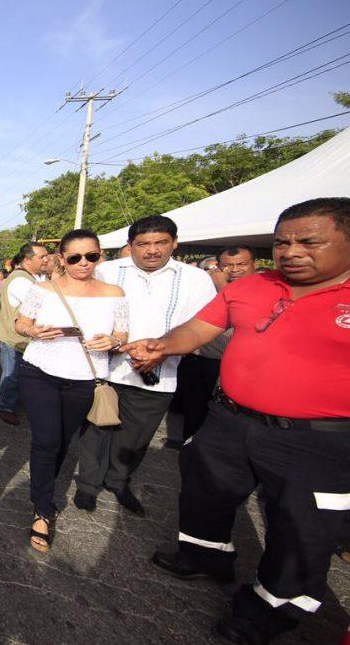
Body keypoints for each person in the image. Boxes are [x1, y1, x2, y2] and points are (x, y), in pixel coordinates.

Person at [123, 198, 350, 644]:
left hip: (319, 441)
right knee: (206, 493)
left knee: (302, 530)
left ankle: (268, 611)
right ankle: (206, 556)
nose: (291, 251)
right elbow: (199, 329)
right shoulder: (252, 286)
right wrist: (162, 345)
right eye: (282, 241)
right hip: (228, 420)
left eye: (309, 241)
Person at [74, 215, 216, 516]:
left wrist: (161, 351)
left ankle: (119, 482)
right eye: (143, 244)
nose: (152, 250)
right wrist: (113, 343)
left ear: (174, 243)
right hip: (106, 371)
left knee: (135, 437)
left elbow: (202, 325)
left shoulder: (196, 279)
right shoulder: (107, 272)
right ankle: (87, 485)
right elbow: (88, 314)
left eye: (160, 242)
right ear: (131, 246)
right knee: (96, 430)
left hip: (158, 373)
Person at [14, 230, 127, 553]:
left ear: (100, 255)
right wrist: (34, 330)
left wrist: (114, 342)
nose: (83, 263)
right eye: (75, 257)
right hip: (39, 372)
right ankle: (42, 508)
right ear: (61, 259)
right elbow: (21, 324)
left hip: (85, 378)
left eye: (91, 256)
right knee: (46, 440)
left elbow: (122, 333)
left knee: (63, 441)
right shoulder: (43, 289)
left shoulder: (114, 292)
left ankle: (44, 492)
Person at [173, 245, 257, 446]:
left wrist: (223, 287)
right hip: (199, 359)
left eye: (241, 264)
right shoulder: (205, 285)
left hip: (233, 365)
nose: (235, 269)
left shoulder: (264, 289)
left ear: (254, 264)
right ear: (219, 266)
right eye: (228, 265)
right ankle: (190, 445)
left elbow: (249, 319)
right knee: (194, 408)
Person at [0, 242, 49, 426]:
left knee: (15, 373)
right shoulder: (21, 281)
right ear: (27, 259)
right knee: (11, 374)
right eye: (42, 257)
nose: (46, 260)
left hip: (18, 337)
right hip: (13, 338)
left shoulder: (31, 278)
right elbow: (42, 308)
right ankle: (5, 407)